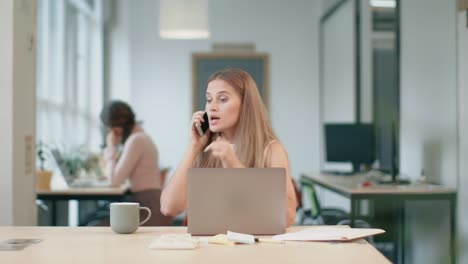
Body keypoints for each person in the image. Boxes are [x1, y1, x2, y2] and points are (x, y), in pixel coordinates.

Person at [160, 68, 297, 227]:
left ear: (246, 104)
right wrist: (193, 146)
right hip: (207, 246)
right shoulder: (206, 148)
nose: (212, 107)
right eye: (209, 99)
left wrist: (235, 167)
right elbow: (169, 208)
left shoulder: (271, 150)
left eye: (222, 99)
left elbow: (287, 218)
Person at [101, 100, 171, 226]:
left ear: (115, 127)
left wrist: (110, 146)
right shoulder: (140, 137)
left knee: (100, 227)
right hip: (148, 202)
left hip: (148, 206)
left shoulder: (136, 140)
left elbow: (113, 180)